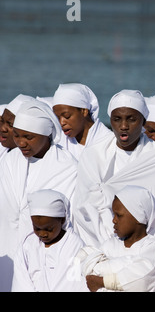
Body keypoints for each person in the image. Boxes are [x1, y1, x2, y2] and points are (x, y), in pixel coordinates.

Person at [71, 89, 155, 248]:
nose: (124, 126)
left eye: (131, 119)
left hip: (146, 244)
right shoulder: (93, 155)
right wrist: (110, 244)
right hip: (97, 242)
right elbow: (83, 207)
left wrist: (140, 246)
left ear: (143, 121)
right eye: (117, 119)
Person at [0, 100, 78, 292]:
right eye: (17, 135)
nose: (21, 142)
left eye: (29, 137)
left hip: (45, 255)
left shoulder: (68, 167)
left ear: (46, 134)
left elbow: (72, 219)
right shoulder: (9, 160)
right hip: (5, 245)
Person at [77, 185, 155, 292]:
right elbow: (90, 272)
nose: (113, 220)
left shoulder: (152, 247)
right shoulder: (110, 244)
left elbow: (141, 281)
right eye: (113, 214)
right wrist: (127, 267)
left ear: (138, 217)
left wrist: (102, 282)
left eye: (118, 215)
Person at [12, 189, 89, 292]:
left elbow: (77, 284)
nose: (42, 234)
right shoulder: (28, 245)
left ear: (62, 220)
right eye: (37, 228)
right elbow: (21, 281)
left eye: (49, 229)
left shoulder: (74, 246)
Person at [52, 83, 114, 161]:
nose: (61, 123)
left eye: (67, 116)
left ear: (84, 111)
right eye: (57, 118)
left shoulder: (109, 142)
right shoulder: (57, 143)